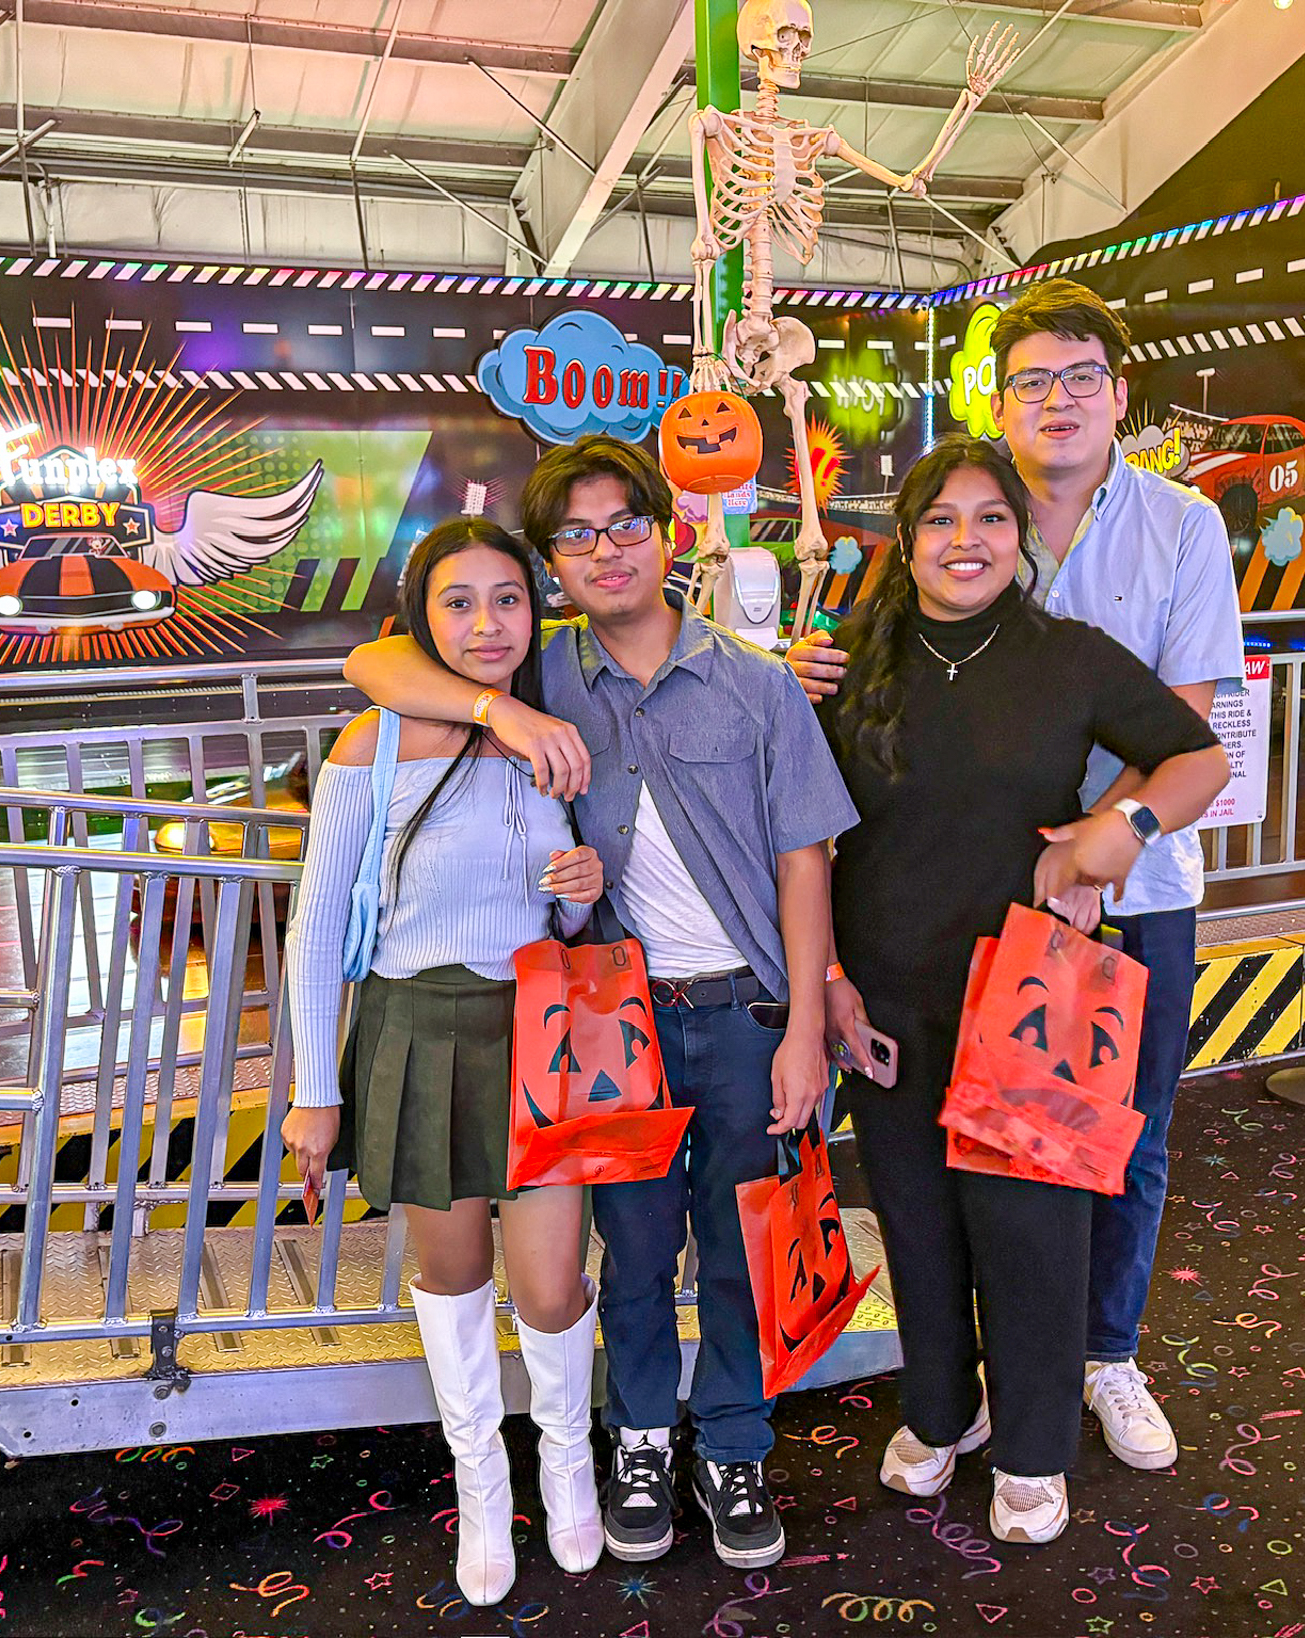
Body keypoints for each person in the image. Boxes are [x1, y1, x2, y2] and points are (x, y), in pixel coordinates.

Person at [342, 433, 857, 1571]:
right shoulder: (544, 673)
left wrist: (806, 1022)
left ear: (666, 536)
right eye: (574, 535)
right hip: (613, 1024)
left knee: (740, 1245)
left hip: (745, 1014)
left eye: (625, 524)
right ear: (552, 564)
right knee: (628, 1249)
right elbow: (374, 668)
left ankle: (734, 1446)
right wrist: (505, 716)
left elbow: (804, 861)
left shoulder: (758, 685)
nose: (604, 549)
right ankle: (638, 1441)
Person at [794, 279, 1245, 1473]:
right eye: (1031, 381)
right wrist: (800, 676)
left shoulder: (1180, 526)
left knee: (1117, 1140)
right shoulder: (958, 516)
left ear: (1117, 394)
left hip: (1127, 894)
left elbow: (1184, 722)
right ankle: (971, 1382)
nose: (1057, 400)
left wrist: (1097, 840)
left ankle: (1103, 1355)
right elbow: (861, 697)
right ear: (996, 403)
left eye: (1078, 377)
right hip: (948, 920)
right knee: (951, 1171)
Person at [282, 518, 608, 1608]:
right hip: (416, 1028)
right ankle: (480, 1482)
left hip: (538, 1033)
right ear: (421, 618)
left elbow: (561, 919)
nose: (486, 624)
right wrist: (312, 1094)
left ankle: (566, 1464)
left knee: (550, 1286)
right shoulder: (371, 743)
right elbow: (314, 926)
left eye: (507, 599)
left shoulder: (554, 733)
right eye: (457, 602)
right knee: (456, 1274)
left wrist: (579, 896)